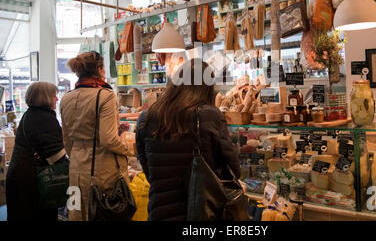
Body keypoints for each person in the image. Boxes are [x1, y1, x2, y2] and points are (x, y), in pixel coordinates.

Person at [135, 59, 241, 221]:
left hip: (159, 212)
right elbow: (234, 171)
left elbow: (149, 171)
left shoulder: (145, 117)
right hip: (202, 211)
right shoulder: (209, 115)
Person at [60, 51, 133, 221]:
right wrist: (130, 149)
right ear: (100, 69)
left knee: (77, 213)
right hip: (103, 171)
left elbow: (67, 140)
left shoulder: (66, 98)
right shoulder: (105, 96)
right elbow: (108, 140)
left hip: (76, 170)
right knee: (104, 213)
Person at [6, 81, 67, 221]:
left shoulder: (29, 114)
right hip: (33, 182)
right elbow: (56, 157)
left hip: (19, 177)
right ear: (45, 97)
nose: (57, 99)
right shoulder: (45, 118)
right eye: (54, 95)